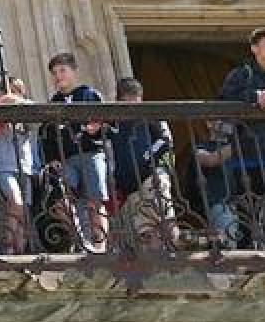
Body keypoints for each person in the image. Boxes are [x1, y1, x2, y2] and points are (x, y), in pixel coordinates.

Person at [219, 26, 265, 248]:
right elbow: (223, 99)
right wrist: (254, 96)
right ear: (254, 48)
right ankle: (246, 255)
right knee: (247, 209)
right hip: (248, 152)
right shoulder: (241, 74)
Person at [41, 51, 110, 253]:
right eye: (54, 73)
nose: (58, 76)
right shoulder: (54, 102)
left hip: (91, 153)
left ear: (74, 71)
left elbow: (106, 122)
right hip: (66, 159)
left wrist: (97, 128)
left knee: (94, 201)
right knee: (62, 200)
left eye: (62, 70)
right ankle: (80, 240)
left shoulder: (90, 94)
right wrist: (52, 158)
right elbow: (47, 135)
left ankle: (100, 245)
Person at [108, 77, 176, 250]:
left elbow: (165, 142)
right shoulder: (113, 125)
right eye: (126, 102)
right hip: (128, 189)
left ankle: (172, 262)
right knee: (143, 233)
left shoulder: (151, 117)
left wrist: (146, 160)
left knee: (164, 220)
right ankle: (159, 266)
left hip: (151, 177)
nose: (131, 108)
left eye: (135, 102)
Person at [0, 77, 36, 255]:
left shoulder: (28, 113)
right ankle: (8, 248)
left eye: (16, 90)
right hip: (4, 164)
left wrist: (20, 102)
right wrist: (1, 103)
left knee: (24, 212)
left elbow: (39, 110)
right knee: (15, 201)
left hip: (26, 166)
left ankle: (20, 252)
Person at [193, 119, 239, 249]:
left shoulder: (234, 146)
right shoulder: (201, 146)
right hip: (218, 202)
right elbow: (210, 159)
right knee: (227, 245)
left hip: (239, 202)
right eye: (221, 119)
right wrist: (239, 144)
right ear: (209, 123)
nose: (227, 123)